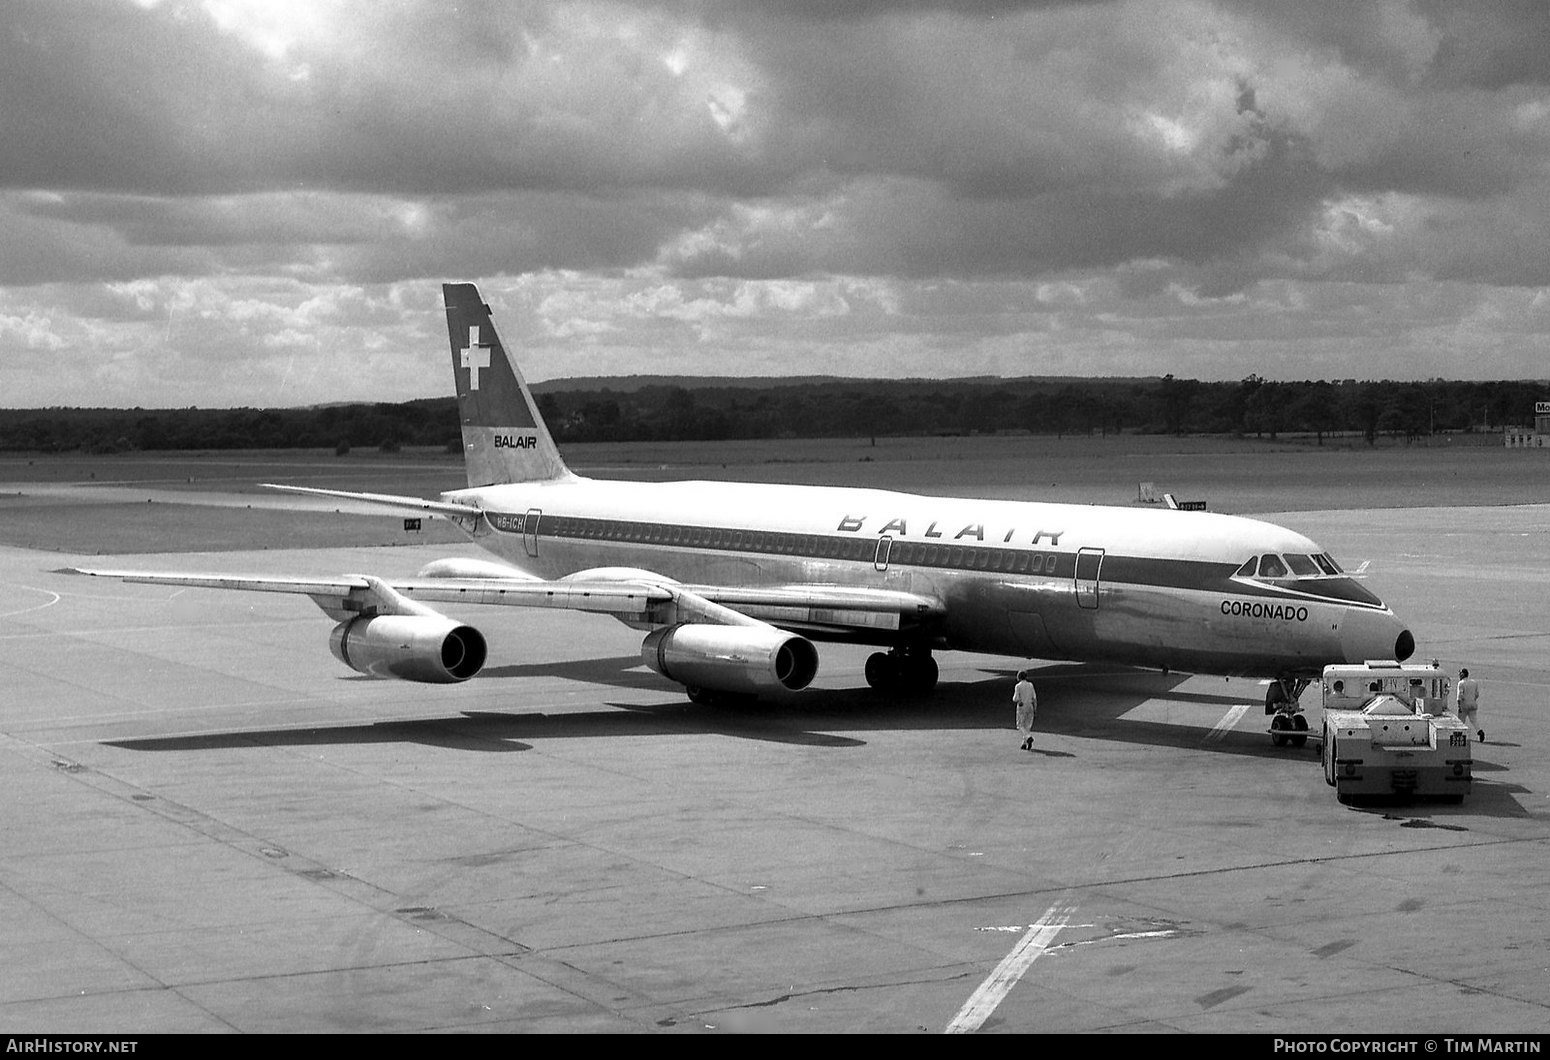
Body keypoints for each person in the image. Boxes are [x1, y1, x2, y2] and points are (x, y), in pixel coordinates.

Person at [1013, 670, 1038, 751]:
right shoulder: (1030, 685)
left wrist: (1018, 701)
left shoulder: (1018, 686)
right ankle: (1024, 743)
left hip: (1022, 706)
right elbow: (1034, 698)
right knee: (1027, 725)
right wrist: (1035, 708)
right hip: (1030, 706)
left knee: (1020, 725)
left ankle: (1028, 737)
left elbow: (1015, 698)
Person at [1457, 668, 1482, 742]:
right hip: (1473, 704)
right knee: (1474, 720)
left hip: (1464, 705)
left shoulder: (1461, 683)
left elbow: (1460, 695)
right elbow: (1477, 694)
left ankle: (1459, 735)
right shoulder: (1474, 682)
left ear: (1462, 674)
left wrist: (1459, 706)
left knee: (1461, 721)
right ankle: (1479, 731)